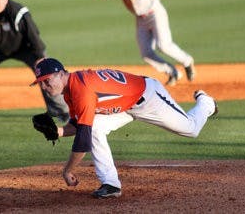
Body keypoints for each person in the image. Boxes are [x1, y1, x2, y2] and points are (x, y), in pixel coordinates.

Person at [31, 58, 218, 198]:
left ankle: (206, 103)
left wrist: (68, 171)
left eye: (47, 80)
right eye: (42, 83)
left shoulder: (81, 90)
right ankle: (110, 184)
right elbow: (78, 125)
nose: (45, 86)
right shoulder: (71, 89)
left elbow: (83, 141)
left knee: (191, 129)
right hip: (125, 106)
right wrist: (58, 131)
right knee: (95, 127)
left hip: (148, 97)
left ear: (61, 73)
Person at [99, 0, 205, 85]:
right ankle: (173, 72)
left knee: (164, 45)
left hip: (155, 13)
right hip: (140, 19)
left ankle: (187, 61)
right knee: (146, 53)